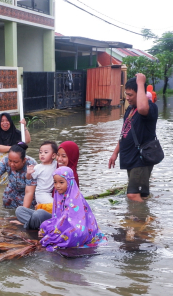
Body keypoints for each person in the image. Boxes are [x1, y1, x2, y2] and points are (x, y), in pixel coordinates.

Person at [108, 74, 158, 203]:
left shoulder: (150, 108)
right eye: (126, 94)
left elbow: (142, 107)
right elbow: (124, 132)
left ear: (140, 92)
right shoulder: (130, 110)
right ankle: (142, 219)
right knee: (141, 194)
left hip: (141, 159)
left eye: (130, 95)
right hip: (131, 158)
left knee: (132, 195)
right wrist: (115, 153)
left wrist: (141, 83)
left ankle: (139, 220)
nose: (127, 98)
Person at [39, 167, 106, 251]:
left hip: (78, 227)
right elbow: (57, 217)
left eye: (61, 182)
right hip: (62, 223)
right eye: (55, 182)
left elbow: (75, 220)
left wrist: (56, 230)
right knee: (44, 225)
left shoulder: (75, 197)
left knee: (73, 235)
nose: (57, 186)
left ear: (69, 182)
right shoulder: (58, 194)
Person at [0, 113, 31, 186]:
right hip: (1, 163)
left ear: (10, 122)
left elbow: (27, 140)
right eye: (2, 121)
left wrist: (24, 126)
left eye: (7, 120)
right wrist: (16, 148)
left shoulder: (16, 133)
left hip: (15, 163)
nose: (5, 123)